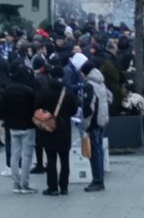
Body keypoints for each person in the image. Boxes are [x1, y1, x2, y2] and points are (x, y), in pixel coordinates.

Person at [0, 66, 38, 194]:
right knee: (27, 156)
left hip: (12, 126)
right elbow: (34, 110)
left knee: (14, 154)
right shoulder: (29, 92)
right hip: (27, 126)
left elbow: (0, 113)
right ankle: (25, 183)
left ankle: (15, 183)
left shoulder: (6, 91)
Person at [34, 74, 77, 196]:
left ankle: (52, 187)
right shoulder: (67, 92)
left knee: (51, 159)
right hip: (64, 129)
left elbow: (36, 106)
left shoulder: (44, 92)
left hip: (49, 129)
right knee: (65, 159)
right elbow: (74, 109)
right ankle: (64, 187)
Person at [80, 60, 111, 192]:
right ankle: (100, 180)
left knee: (94, 153)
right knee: (99, 150)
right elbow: (110, 98)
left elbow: (88, 107)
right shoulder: (101, 82)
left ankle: (97, 181)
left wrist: (85, 124)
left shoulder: (89, 85)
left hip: (93, 122)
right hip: (102, 120)